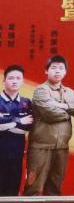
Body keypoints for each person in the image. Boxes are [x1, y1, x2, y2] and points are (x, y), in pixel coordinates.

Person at [26, 55, 74, 195]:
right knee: (34, 186)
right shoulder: (41, 90)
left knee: (55, 188)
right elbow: (49, 114)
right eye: (54, 68)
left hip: (62, 147)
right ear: (46, 71)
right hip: (41, 146)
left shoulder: (69, 92)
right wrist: (68, 111)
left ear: (65, 72)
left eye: (61, 68)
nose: (57, 71)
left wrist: (61, 105)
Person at [0, 65, 33, 195]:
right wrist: (19, 121)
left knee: (13, 191)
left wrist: (7, 123)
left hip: (17, 154)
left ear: (23, 81)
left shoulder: (26, 102)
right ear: (4, 80)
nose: (15, 81)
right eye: (11, 78)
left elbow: (27, 127)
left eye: (18, 78)